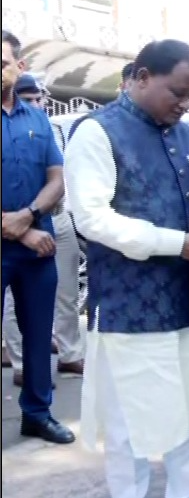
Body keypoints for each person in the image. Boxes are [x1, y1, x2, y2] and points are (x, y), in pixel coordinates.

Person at [65, 39, 189, 498]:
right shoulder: (97, 132)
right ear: (141, 77)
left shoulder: (184, 132)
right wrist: (177, 244)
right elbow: (91, 217)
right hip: (132, 312)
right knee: (131, 434)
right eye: (176, 93)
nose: (184, 105)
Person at [1, 29, 73, 444]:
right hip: (24, 240)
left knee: (38, 331)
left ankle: (37, 413)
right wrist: (16, 230)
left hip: (38, 246)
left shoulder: (39, 119)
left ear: (19, 66)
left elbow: (57, 177)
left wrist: (27, 218)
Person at [4, 71, 84, 388]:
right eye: (29, 99)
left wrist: (33, 215)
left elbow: (58, 178)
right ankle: (22, 364)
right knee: (14, 303)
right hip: (13, 227)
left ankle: (69, 354)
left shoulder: (45, 126)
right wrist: (23, 227)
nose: (36, 104)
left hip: (55, 220)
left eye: (40, 98)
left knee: (64, 294)